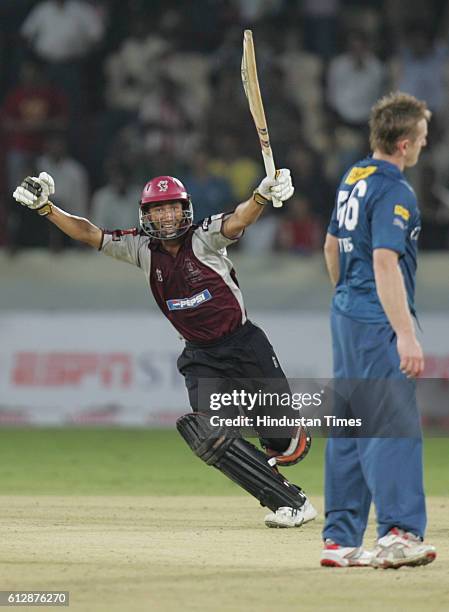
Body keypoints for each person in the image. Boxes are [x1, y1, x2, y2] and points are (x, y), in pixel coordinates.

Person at [13, 168, 317, 529]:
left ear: (184, 209)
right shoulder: (140, 247)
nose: (166, 215)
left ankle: (284, 441)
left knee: (287, 446)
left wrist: (262, 196)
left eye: (172, 207)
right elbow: (88, 232)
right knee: (209, 433)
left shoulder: (204, 237)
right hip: (201, 356)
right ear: (146, 215)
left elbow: (238, 220)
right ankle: (289, 501)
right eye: (157, 210)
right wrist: (47, 208)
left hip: (244, 344)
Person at [322, 92, 437, 568]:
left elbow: (332, 247)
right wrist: (405, 332)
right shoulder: (395, 189)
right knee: (391, 423)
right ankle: (398, 534)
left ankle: (341, 539)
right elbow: (385, 260)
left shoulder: (354, 177)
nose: (425, 147)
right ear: (406, 143)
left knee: (350, 424)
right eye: (424, 139)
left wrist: (348, 294)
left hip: (346, 315)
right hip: (376, 320)